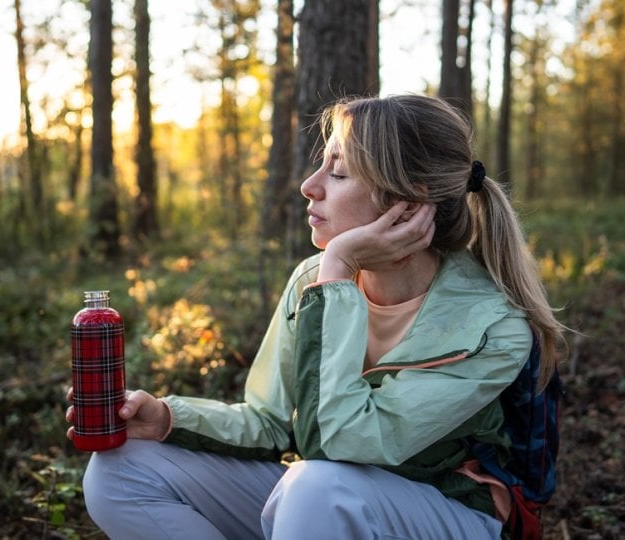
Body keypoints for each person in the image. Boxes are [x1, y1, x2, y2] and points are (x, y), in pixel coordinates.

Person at [65, 94, 566, 539]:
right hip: (329, 499)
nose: (309, 186)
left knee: (319, 487)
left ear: (406, 203)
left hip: (446, 510)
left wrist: (339, 268)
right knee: (119, 470)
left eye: (339, 171)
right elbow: (271, 422)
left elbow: (341, 442)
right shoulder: (313, 279)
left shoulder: (493, 326)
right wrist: (167, 417)